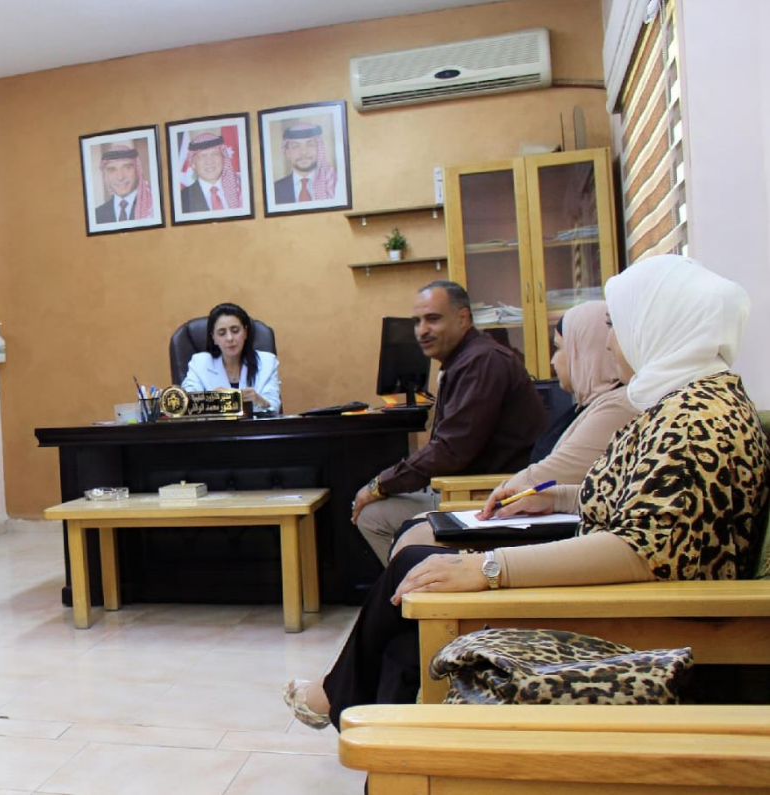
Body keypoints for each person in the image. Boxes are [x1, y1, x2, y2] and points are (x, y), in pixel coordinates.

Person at [285, 254, 770, 730]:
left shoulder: (695, 423)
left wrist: (490, 568)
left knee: (420, 571)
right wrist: (555, 498)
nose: (609, 343)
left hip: (650, 614)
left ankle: (360, 715)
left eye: (616, 326)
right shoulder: (687, 402)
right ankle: (367, 719)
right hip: (628, 585)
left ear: (658, 325)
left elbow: (640, 553)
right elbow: (637, 504)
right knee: (417, 576)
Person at [392, 300, 638, 552]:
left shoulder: (615, 408)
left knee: (410, 536)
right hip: (534, 516)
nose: (553, 361)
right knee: (414, 533)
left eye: (558, 349)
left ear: (585, 352)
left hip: (549, 533)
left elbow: (546, 477)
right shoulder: (589, 405)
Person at [352, 281, 545, 565]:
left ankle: (423, 588)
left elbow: (450, 451)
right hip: (470, 488)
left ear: (462, 318)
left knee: (373, 516)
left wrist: (378, 485)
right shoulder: (468, 359)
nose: (422, 331)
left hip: (485, 497)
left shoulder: (481, 362)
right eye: (417, 321)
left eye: (433, 319)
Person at [180, 303, 281, 414]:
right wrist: (210, 399)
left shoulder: (267, 362)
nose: (229, 338)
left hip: (253, 424)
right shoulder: (199, 363)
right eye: (222, 333)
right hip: (215, 425)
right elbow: (186, 403)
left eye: (235, 331)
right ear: (214, 338)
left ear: (245, 332)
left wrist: (259, 402)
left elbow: (274, 408)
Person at [272, 122, 337, 204]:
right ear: (287, 152)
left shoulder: (334, 183)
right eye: (296, 146)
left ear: (319, 148)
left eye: (310, 145)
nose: (303, 152)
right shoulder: (274, 190)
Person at [180, 131, 243, 212]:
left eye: (214, 154)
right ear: (193, 164)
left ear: (223, 158)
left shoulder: (241, 189)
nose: (209, 161)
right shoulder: (182, 199)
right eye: (203, 156)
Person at [92, 140, 154, 224]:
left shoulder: (152, 208)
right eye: (112, 170)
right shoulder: (97, 215)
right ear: (106, 176)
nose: (120, 177)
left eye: (127, 168)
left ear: (137, 170)